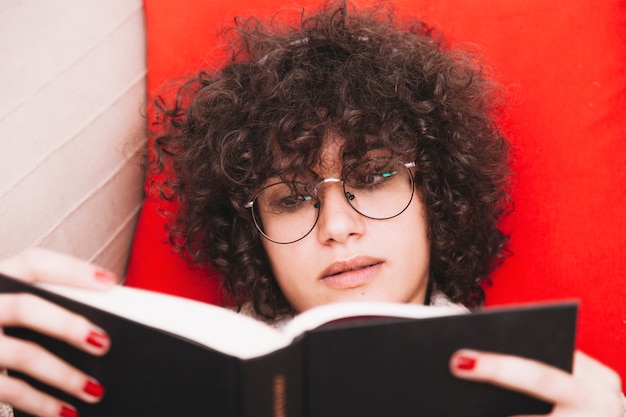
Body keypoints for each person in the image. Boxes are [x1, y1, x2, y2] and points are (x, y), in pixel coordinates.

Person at [0, 2, 623, 416]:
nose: (338, 227)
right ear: (255, 235)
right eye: (293, 198)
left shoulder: (534, 388)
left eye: (375, 177)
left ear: (435, 198)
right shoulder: (181, 369)